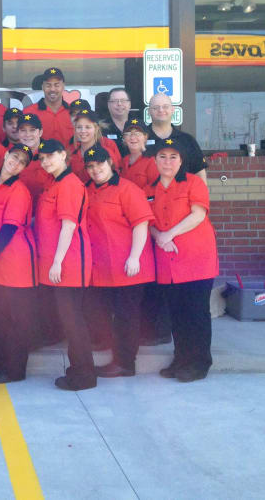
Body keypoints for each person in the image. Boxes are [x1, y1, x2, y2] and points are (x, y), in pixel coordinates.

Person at [149, 137, 220, 383]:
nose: (167, 162)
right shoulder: (151, 188)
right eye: (162, 156)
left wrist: (169, 234)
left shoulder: (194, 183)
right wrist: (160, 236)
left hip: (195, 259)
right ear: (155, 159)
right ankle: (181, 359)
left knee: (196, 313)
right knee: (177, 314)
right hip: (168, 261)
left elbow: (198, 215)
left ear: (182, 160)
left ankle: (199, 363)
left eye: (173, 157)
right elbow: (147, 221)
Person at [84, 143, 156, 379]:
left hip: (128, 267)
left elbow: (141, 223)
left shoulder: (127, 189)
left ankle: (125, 363)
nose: (96, 170)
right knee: (106, 315)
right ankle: (115, 358)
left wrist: (135, 256)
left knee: (126, 316)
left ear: (110, 164)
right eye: (91, 166)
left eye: (100, 164)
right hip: (101, 268)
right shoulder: (88, 189)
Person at [35, 139, 95, 391]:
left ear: (64, 155)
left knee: (73, 322)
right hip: (58, 263)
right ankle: (77, 370)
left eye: (51, 156)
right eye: (42, 158)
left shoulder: (70, 184)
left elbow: (69, 225)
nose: (46, 161)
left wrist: (57, 261)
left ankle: (84, 376)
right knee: (69, 320)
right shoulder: (54, 182)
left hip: (69, 263)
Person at [0, 144, 35, 383]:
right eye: (14, 157)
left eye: (22, 162)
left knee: (17, 319)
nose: (16, 163)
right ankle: (2, 362)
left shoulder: (19, 190)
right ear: (5, 155)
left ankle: (16, 370)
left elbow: (10, 226)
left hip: (15, 259)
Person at [144, 93, 207, 182]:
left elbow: (199, 173)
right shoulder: (139, 140)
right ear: (149, 111)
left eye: (165, 106)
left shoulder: (187, 140)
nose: (161, 110)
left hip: (182, 195)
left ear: (173, 109)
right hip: (148, 195)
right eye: (156, 107)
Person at [68, 108, 122, 184]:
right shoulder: (70, 153)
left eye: (88, 127)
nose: (83, 131)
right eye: (79, 127)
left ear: (96, 129)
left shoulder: (107, 152)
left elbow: (116, 178)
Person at [25, 67, 74, 147]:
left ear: (63, 86)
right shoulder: (29, 112)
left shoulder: (73, 112)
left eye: (56, 85)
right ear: (42, 87)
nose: (52, 89)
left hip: (70, 159)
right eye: (48, 85)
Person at [15, 112, 51, 203]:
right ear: (18, 133)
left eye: (32, 130)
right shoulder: (11, 156)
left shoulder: (51, 155)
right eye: (23, 130)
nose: (28, 134)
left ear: (40, 132)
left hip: (45, 211)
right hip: (18, 210)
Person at [118, 118, 159, 192]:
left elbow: (155, 187)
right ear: (124, 138)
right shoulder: (123, 161)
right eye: (128, 134)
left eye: (137, 134)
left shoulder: (152, 160)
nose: (133, 137)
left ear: (145, 137)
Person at [102, 88, 133, 157]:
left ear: (129, 104)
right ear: (108, 105)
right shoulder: (99, 128)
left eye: (123, 100)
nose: (119, 104)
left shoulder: (140, 126)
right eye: (115, 101)